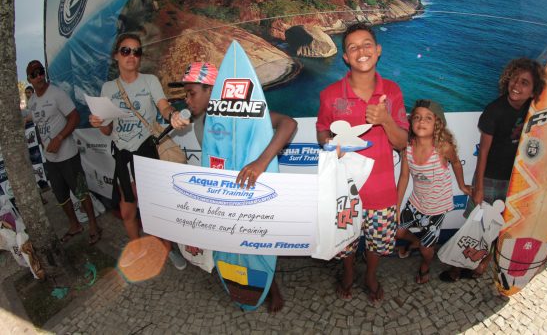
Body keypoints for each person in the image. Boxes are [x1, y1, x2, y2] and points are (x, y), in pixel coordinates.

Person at [168, 61, 298, 313]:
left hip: (249, 195)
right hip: (223, 197)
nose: (186, 100)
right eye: (185, 94)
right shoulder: (198, 122)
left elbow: (288, 124)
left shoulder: (242, 114)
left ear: (212, 91)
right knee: (231, 246)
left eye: (191, 93)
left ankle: (270, 289)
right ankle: (240, 287)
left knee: (253, 245)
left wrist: (261, 162)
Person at [316, 23, 408, 304]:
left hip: (381, 191)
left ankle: (370, 275)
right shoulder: (330, 94)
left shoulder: (391, 92)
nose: (361, 51)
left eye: (367, 44)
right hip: (346, 190)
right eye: (353, 47)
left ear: (378, 51)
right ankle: (347, 272)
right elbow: (321, 131)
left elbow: (402, 142)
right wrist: (332, 143)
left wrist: (385, 120)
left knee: (378, 243)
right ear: (345, 57)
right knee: (345, 242)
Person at [440, 57, 547, 282]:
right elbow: (484, 153)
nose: (516, 85)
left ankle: (483, 262)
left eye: (524, 82)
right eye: (513, 79)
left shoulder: (534, 110)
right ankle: (457, 267)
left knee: (495, 227)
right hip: (489, 178)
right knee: (474, 223)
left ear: (534, 90)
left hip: (516, 180)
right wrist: (479, 186)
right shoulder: (494, 111)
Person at [88, 33, 189, 270]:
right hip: (122, 154)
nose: (131, 56)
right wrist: (99, 122)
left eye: (136, 51)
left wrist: (172, 115)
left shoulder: (149, 80)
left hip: (145, 150)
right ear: (116, 56)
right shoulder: (108, 87)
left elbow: (163, 106)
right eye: (125, 51)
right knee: (127, 208)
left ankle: (168, 249)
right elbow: (107, 130)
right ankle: (138, 247)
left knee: (154, 206)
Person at [395, 99, 471, 284]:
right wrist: (397, 207)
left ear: (437, 124)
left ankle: (425, 267)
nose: (422, 121)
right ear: (411, 122)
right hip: (415, 202)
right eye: (417, 117)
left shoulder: (443, 148)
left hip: (437, 208)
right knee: (398, 232)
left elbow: (455, 163)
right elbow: (404, 177)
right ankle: (414, 241)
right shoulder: (408, 148)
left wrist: (461, 185)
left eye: (428, 118)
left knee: (426, 248)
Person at [25, 60, 101, 244]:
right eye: (34, 74)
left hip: (68, 155)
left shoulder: (57, 93)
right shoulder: (33, 101)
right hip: (51, 159)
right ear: (29, 79)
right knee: (60, 196)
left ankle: (93, 225)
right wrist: (44, 145)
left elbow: (75, 117)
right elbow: (39, 125)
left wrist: (59, 138)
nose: (39, 76)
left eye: (41, 71)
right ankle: (74, 225)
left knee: (81, 191)